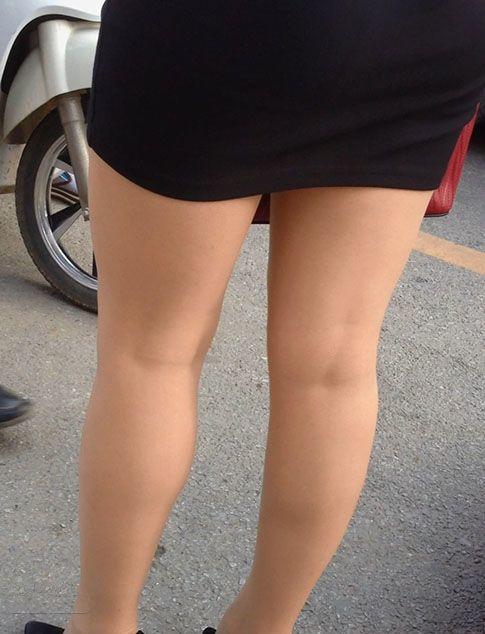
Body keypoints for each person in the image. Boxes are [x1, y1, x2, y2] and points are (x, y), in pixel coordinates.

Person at [24, 2, 485, 633]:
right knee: (332, 368)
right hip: (425, 32)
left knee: (150, 352)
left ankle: (100, 627)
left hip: (222, 25)